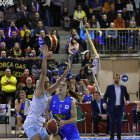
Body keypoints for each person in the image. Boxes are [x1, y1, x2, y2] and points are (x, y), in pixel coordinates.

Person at [24, 45, 71, 140]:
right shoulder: (39, 92)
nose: (48, 82)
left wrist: (67, 71)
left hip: (40, 125)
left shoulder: (48, 92)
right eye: (46, 81)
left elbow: (58, 82)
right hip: (31, 123)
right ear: (41, 83)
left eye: (48, 81)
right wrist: (44, 57)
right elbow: (43, 73)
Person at [103, 74, 130, 140]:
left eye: (117, 78)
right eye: (115, 78)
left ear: (119, 79)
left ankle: (119, 137)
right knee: (112, 123)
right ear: (113, 79)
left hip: (120, 108)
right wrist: (104, 103)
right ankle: (111, 137)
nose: (116, 79)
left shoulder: (123, 87)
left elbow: (127, 95)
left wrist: (128, 101)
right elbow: (105, 96)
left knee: (119, 123)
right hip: (112, 108)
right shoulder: (109, 87)